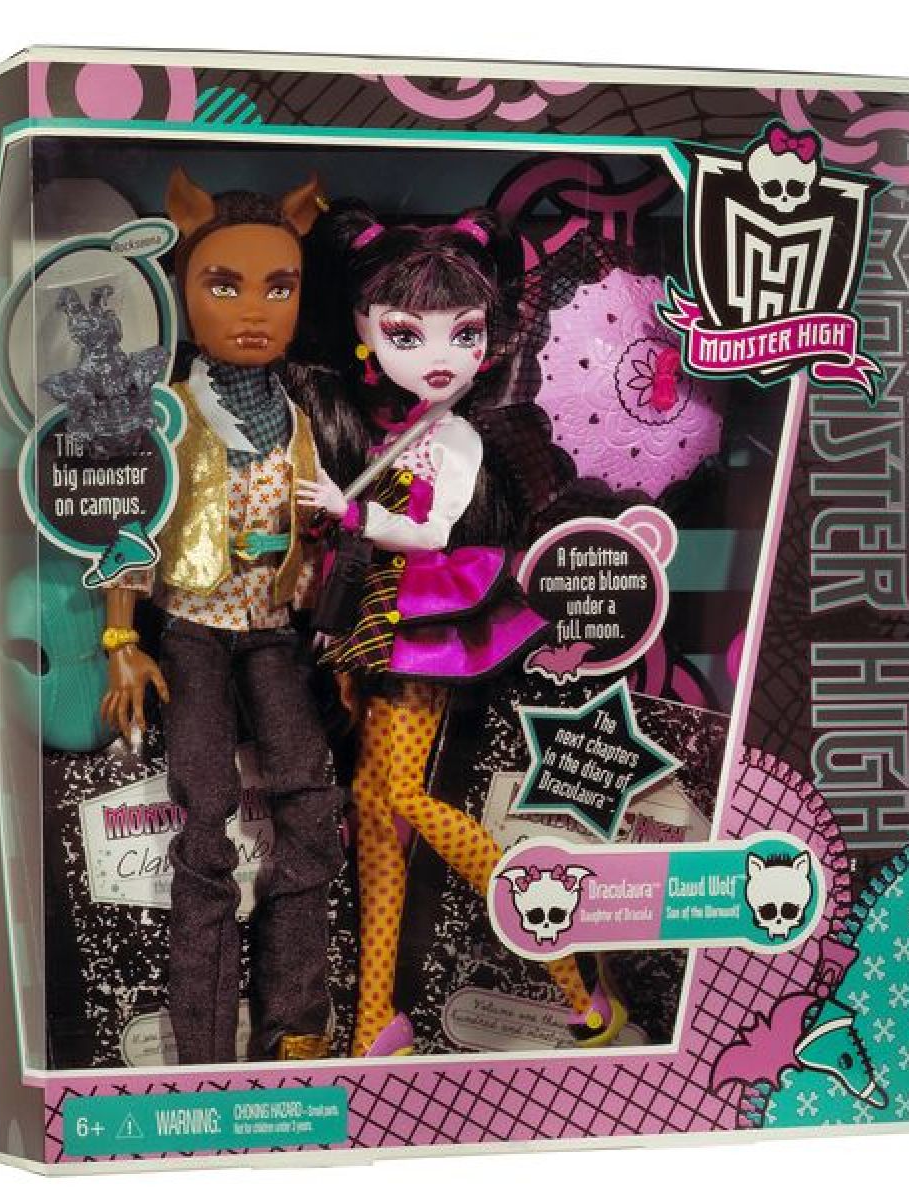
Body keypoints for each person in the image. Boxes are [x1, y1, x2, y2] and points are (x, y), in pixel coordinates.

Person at [297, 204, 628, 1057]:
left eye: (465, 333)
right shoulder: (380, 429)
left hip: (428, 623)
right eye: (407, 335)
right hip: (375, 623)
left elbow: (433, 532)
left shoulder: (457, 440)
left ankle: (572, 966)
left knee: (404, 798)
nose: (440, 357)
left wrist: (350, 511)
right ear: (365, 330)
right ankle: (378, 1018)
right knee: (374, 814)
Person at [99, 168, 343, 1064]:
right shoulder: (166, 413)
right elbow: (124, 521)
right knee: (202, 821)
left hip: (273, 632)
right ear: (184, 288)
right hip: (192, 631)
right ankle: (201, 1049)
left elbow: (315, 530)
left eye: (279, 288)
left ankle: (295, 1029)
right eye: (224, 285)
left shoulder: (297, 416)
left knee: (310, 803)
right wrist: (121, 639)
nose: (253, 311)